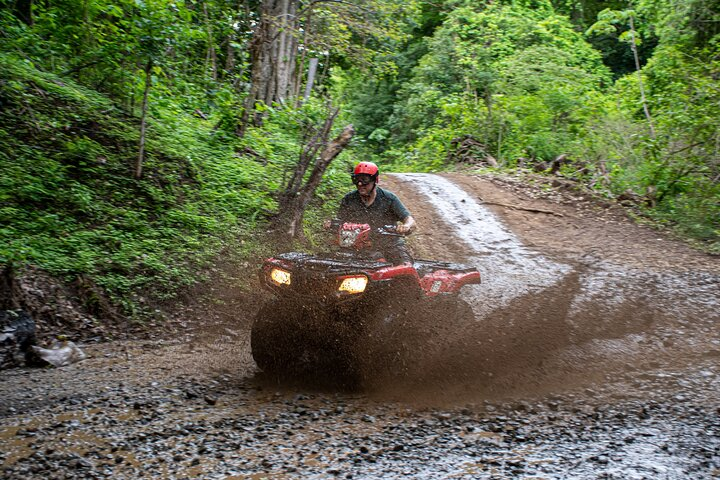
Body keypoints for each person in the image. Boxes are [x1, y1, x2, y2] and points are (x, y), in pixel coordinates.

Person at [330, 161, 416, 264]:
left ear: (375, 180)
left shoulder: (388, 198)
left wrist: (406, 226)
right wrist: (331, 224)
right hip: (356, 247)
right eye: (357, 180)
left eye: (365, 180)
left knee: (404, 267)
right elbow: (340, 221)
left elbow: (410, 220)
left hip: (389, 246)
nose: (360, 184)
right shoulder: (349, 199)